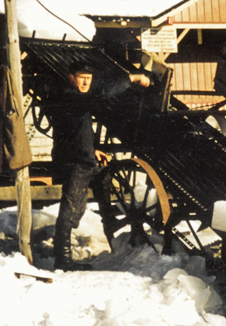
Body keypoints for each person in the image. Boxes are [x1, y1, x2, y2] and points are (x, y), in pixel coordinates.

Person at [49, 61, 150, 271]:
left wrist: (93, 149)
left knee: (104, 180)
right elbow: (102, 92)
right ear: (71, 77)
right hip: (74, 160)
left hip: (83, 156)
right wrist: (132, 78)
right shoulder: (70, 96)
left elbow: (76, 130)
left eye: (89, 78)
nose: (86, 82)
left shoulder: (75, 97)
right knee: (72, 209)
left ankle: (111, 230)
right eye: (81, 77)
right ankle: (63, 260)